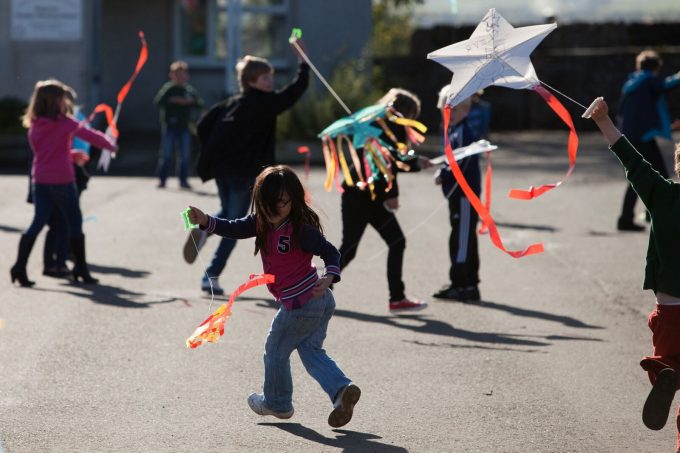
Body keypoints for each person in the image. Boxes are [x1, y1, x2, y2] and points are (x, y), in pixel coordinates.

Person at [186, 165, 360, 427]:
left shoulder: (301, 229)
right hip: (316, 302)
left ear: (293, 200)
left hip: (302, 303)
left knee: (275, 351)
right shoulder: (261, 222)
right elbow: (232, 227)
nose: (275, 209)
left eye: (283, 203)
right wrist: (204, 221)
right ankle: (341, 390)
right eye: (269, 203)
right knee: (311, 351)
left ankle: (277, 403)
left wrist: (330, 275)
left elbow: (330, 252)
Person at [590, 97, 680, 452]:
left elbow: (631, 160)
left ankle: (665, 370)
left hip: (671, 309)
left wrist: (603, 120)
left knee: (668, 357)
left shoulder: (663, 194)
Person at [185, 45, 309, 296]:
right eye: (265, 77)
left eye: (271, 76)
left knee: (229, 211)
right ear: (251, 81)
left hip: (222, 169)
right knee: (236, 225)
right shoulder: (264, 103)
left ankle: (201, 227)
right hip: (244, 172)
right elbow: (294, 92)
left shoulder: (230, 103)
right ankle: (211, 275)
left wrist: (217, 151)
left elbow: (202, 125)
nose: (270, 81)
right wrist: (304, 64)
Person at [10, 79, 118, 287]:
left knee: (37, 223)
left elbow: (48, 152)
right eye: (63, 98)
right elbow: (90, 135)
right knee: (75, 223)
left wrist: (70, 153)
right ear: (55, 101)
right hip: (63, 181)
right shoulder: (65, 123)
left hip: (40, 180)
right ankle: (81, 268)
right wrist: (110, 145)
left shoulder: (35, 124)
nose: (66, 102)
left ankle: (19, 267)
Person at [337, 88, 430, 313]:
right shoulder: (391, 127)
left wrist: (417, 162)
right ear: (405, 113)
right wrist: (393, 195)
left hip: (364, 197)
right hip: (362, 198)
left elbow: (393, 158)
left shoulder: (375, 125)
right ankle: (314, 289)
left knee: (391, 242)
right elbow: (388, 164)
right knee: (350, 248)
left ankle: (397, 298)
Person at [615, 50, 680, 231]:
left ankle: (629, 217)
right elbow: (665, 86)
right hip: (643, 137)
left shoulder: (632, 83)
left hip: (630, 136)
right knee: (659, 176)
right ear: (657, 68)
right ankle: (659, 215)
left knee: (639, 176)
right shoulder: (648, 80)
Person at [432, 87, 484, 302]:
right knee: (464, 237)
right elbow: (451, 159)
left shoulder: (462, 131)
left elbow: (458, 161)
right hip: (457, 196)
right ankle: (469, 283)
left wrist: (443, 172)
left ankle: (461, 283)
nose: (449, 114)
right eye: (446, 109)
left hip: (464, 196)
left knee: (461, 240)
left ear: (464, 110)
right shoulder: (454, 130)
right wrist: (441, 168)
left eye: (454, 110)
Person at [154, 60, 203, 189]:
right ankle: (162, 179)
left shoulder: (188, 90)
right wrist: (173, 100)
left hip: (184, 126)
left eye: (183, 75)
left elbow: (199, 103)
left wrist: (189, 102)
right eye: (178, 75)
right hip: (170, 125)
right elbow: (158, 101)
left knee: (185, 155)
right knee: (166, 154)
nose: (181, 78)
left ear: (187, 76)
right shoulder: (169, 88)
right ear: (172, 75)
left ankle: (183, 180)